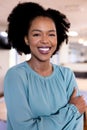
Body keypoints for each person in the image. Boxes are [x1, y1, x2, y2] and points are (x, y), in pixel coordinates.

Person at [4, 2, 86, 130]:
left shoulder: (66, 75)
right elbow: (25, 128)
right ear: (26, 39)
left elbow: (76, 125)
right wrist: (72, 110)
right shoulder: (16, 76)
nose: (45, 40)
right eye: (37, 34)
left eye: (51, 34)